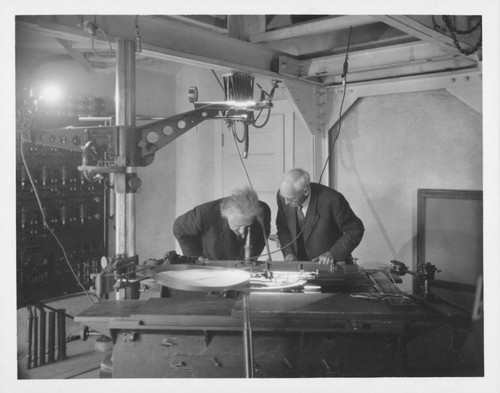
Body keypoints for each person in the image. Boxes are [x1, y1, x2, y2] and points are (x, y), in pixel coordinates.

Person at [276, 168, 364, 265]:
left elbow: (355, 229)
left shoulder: (332, 199)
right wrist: (289, 253)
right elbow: (283, 228)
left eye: (291, 199)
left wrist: (332, 254)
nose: (286, 202)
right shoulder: (284, 195)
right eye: (284, 198)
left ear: (305, 191)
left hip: (330, 266)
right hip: (299, 267)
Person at [173, 187, 271, 261]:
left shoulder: (263, 211)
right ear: (226, 215)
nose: (243, 233)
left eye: (247, 226)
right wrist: (195, 258)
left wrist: (252, 257)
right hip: (212, 264)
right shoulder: (204, 213)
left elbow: (263, 236)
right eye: (238, 227)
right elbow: (179, 228)